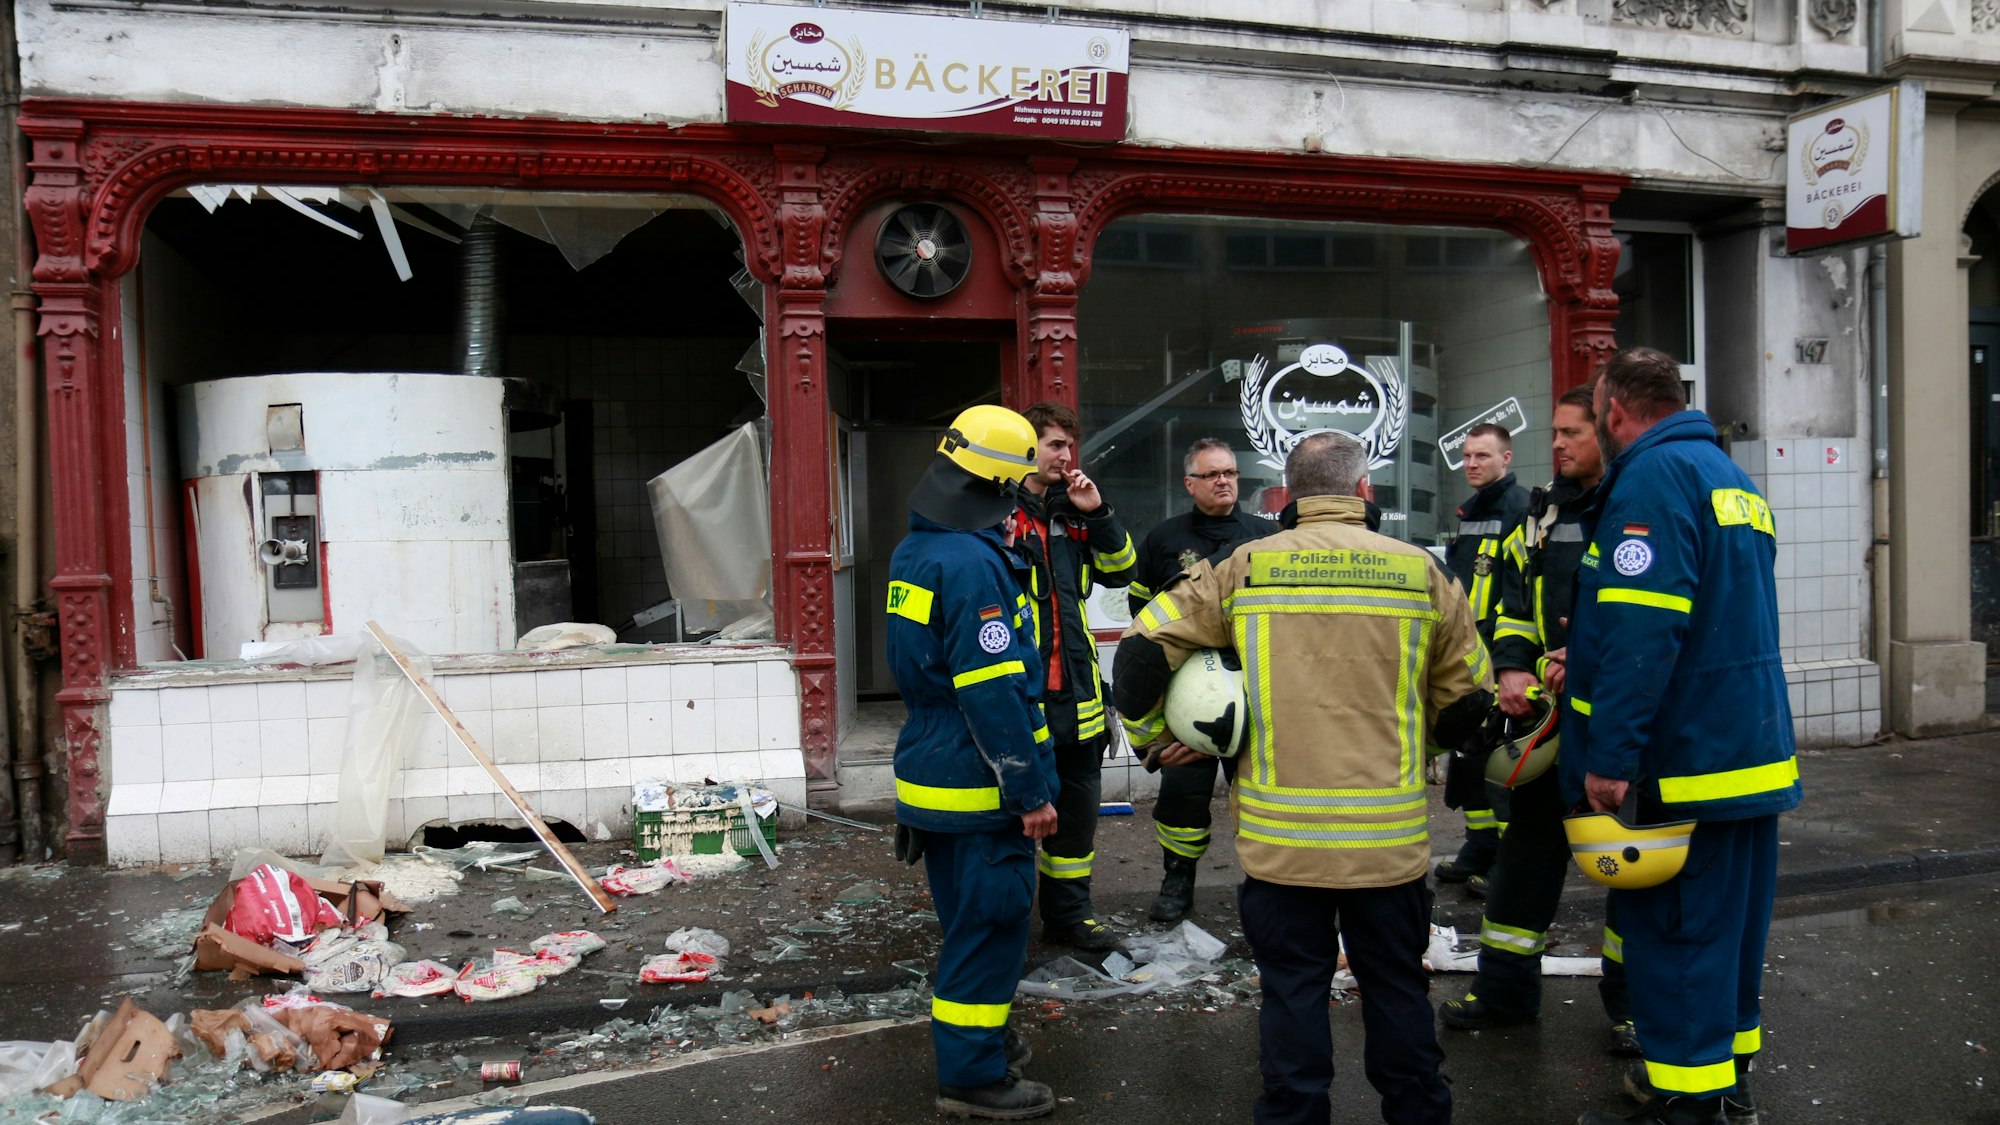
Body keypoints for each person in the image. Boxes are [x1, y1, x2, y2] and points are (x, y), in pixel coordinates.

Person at [1114, 430, 1494, 1125]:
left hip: (1280, 845)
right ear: (1365, 490)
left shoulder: (1242, 567)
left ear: (1287, 494)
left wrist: (1157, 741)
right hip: (1387, 846)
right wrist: (1420, 741)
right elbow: (1469, 700)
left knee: (1291, 993)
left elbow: (1139, 650)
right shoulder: (1423, 571)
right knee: (1398, 991)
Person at [1564, 348, 1801, 1125]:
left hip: (1687, 760)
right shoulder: (1729, 478)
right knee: (1730, 935)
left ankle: (1688, 1105)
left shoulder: (1653, 477)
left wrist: (1610, 757)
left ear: (1616, 411)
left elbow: (1644, 631)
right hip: (1745, 753)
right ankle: (1729, 1083)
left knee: (1678, 936)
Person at [1437, 384, 1635, 1055]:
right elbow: (1517, 599)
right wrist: (1513, 665)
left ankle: (1633, 1006)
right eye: (1554, 432)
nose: (1558, 444)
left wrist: (1588, 657)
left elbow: (1649, 615)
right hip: (1551, 722)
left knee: (1631, 868)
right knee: (1524, 858)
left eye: (1571, 432)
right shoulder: (1545, 507)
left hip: (1618, 723)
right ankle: (1504, 993)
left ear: (1607, 430)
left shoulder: (1635, 502)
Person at [886, 404, 1062, 1120]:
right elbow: (991, 692)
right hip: (980, 783)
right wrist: (1029, 791)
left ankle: (986, 1038)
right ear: (1001, 483)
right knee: (990, 928)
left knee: (968, 924)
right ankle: (972, 1075)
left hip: (933, 772)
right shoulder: (971, 564)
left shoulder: (917, 551)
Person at [1007, 401, 1138, 951]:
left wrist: (1099, 511)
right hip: (1021, 696)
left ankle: (1069, 918)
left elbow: (1122, 571)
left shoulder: (1076, 512)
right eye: (1055, 444)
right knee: (1012, 817)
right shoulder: (996, 511)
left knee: (1077, 820)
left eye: (1069, 445)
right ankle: (1003, 922)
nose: (1066, 455)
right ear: (1026, 448)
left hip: (1079, 696)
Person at [1126, 438, 1272, 922]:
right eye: (1212, 475)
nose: (1223, 481)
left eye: (1230, 472)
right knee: (1183, 792)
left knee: (1261, 792)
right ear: (1190, 483)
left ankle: (1270, 886)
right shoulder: (1164, 539)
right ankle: (1177, 880)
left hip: (1255, 687)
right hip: (1189, 693)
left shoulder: (1267, 536)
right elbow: (1141, 613)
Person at [1437, 423, 1531, 894]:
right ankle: (1479, 847)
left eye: (1483, 456)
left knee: (1501, 766)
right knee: (1470, 760)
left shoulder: (1520, 510)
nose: (1472, 464)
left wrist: (1506, 657)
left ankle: (1509, 865)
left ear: (1506, 459)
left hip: (1498, 655)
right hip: (1468, 654)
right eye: (1468, 456)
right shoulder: (1472, 510)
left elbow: (1517, 592)